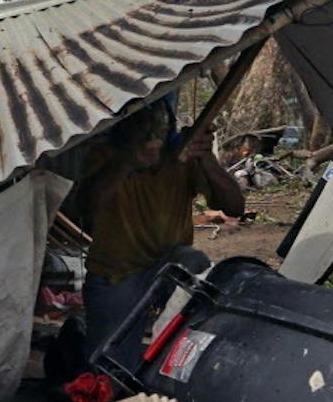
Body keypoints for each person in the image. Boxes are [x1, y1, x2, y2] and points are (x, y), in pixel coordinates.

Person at [78, 98, 245, 354]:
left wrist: (206, 158)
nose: (152, 140)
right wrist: (126, 163)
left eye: (158, 131)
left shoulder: (181, 160)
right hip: (115, 273)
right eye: (144, 133)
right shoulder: (104, 156)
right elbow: (85, 209)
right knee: (108, 369)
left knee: (194, 264)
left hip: (168, 266)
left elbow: (234, 207)